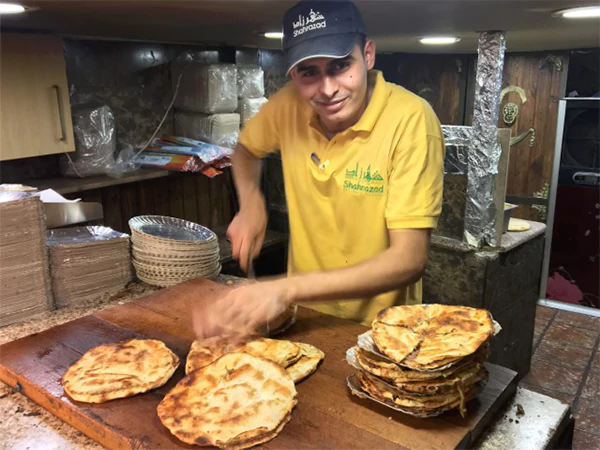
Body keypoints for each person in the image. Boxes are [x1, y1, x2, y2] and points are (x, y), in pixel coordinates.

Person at [193, 0, 444, 339]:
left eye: (340, 66)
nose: (327, 89)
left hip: (385, 329)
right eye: (309, 72)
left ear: (368, 55)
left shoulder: (411, 119)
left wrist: (284, 288)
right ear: (294, 73)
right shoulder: (287, 105)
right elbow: (245, 151)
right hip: (305, 318)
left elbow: (409, 259)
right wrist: (252, 203)